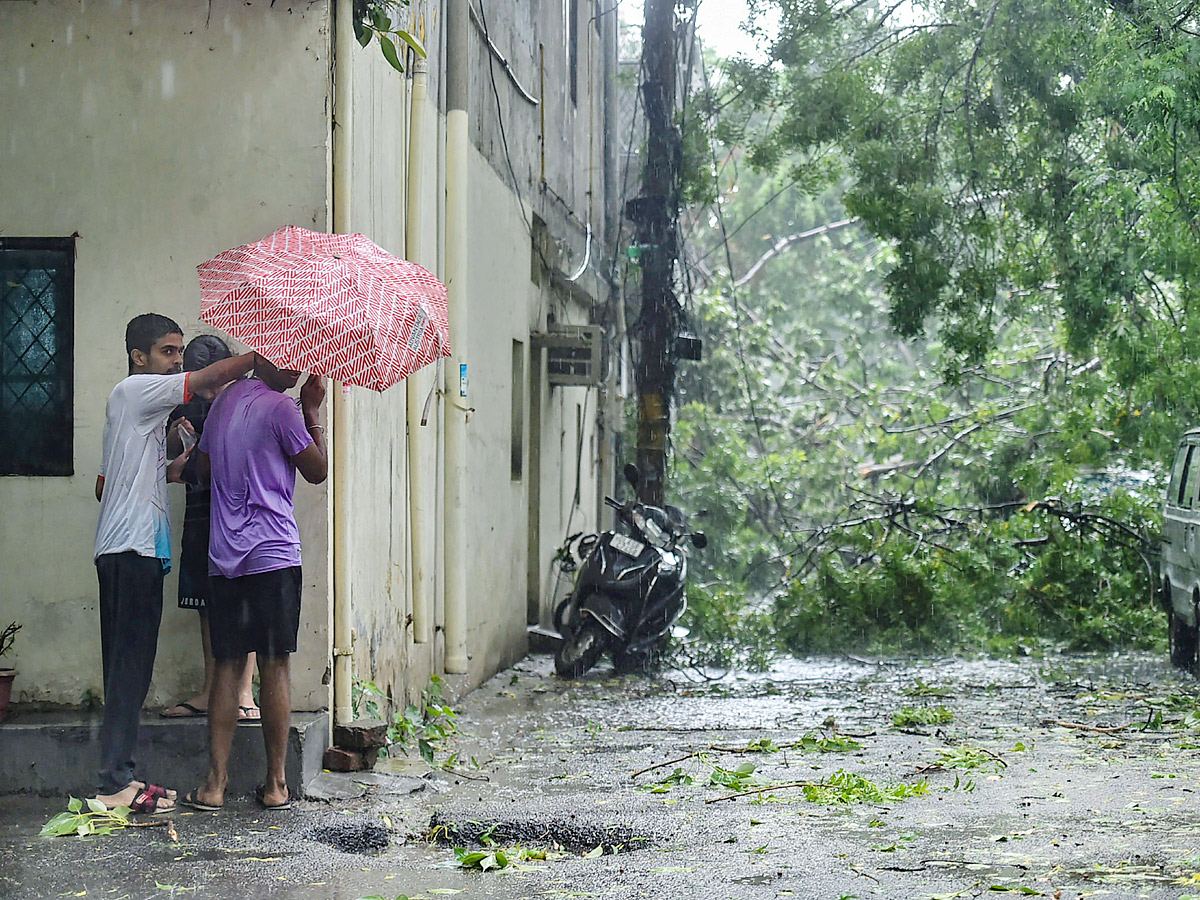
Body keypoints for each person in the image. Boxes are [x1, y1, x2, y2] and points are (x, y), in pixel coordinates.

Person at [93, 314, 255, 814]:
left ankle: (119, 777)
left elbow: (105, 486)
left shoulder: (135, 409)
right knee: (129, 670)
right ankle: (114, 784)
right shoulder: (136, 389)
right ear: (139, 357)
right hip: (131, 550)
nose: (178, 360)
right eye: (168, 351)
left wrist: (167, 464)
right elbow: (207, 379)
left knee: (130, 669)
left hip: (130, 549)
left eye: (180, 351)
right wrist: (271, 349)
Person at [182, 355, 327, 812]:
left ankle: (215, 785)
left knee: (226, 665)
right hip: (273, 555)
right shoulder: (283, 410)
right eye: (289, 360)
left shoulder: (224, 402)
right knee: (274, 665)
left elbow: (202, 470)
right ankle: (276, 783)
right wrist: (312, 414)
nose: (297, 369)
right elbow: (317, 469)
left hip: (225, 555)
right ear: (264, 357)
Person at [160, 335, 260, 724]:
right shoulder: (184, 401)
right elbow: (171, 455)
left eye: (215, 384)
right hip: (201, 510)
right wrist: (175, 437)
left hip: (242, 513)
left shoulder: (247, 401)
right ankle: (210, 689)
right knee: (206, 603)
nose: (208, 393)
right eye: (202, 385)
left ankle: (245, 692)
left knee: (246, 599)